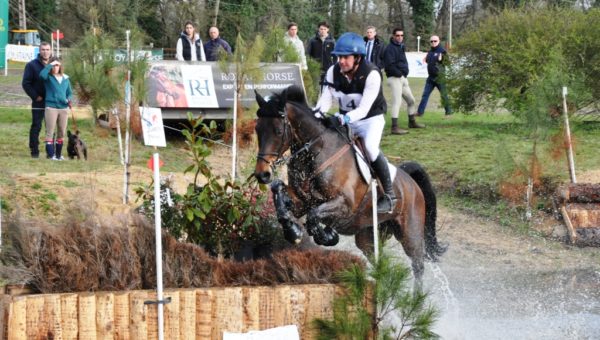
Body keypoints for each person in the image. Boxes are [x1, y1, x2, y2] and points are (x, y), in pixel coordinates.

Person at [313, 32, 396, 213]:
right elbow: (325, 101)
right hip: (345, 120)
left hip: (370, 120)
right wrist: (316, 115)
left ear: (358, 57)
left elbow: (364, 110)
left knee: (371, 148)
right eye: (339, 57)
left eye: (345, 57)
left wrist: (344, 118)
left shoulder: (372, 74)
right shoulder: (332, 72)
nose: (341, 61)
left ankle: (389, 195)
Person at [383, 28, 422, 134]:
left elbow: (402, 62)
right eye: (397, 35)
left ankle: (412, 122)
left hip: (402, 78)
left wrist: (404, 74)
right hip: (394, 78)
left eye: (401, 35)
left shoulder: (401, 47)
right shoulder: (390, 48)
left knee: (411, 100)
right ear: (393, 36)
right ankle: (394, 127)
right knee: (397, 102)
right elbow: (389, 65)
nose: (400, 37)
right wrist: (399, 74)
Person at [22, 41, 52, 158]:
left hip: (52, 101)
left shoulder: (55, 64)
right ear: (39, 51)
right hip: (38, 101)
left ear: (51, 51)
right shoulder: (31, 65)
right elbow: (26, 83)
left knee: (51, 127)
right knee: (37, 125)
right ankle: (34, 151)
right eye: (43, 50)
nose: (45, 52)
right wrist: (35, 96)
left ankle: (50, 152)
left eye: (47, 49)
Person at [39, 57, 73, 160]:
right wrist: (49, 65)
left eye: (57, 65)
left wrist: (69, 99)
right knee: (50, 131)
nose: (55, 67)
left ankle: (58, 155)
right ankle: (51, 155)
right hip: (51, 108)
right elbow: (41, 75)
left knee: (62, 132)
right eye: (53, 65)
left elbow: (69, 93)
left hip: (64, 108)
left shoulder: (66, 78)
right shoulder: (48, 77)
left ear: (60, 66)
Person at [416, 35, 452, 117]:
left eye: (435, 41)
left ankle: (448, 113)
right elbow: (429, 62)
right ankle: (420, 112)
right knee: (425, 95)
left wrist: (441, 60)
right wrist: (426, 59)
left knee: (444, 95)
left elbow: (448, 63)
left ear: (439, 41)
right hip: (430, 78)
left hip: (440, 78)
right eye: (431, 41)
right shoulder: (430, 51)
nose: (433, 43)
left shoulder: (442, 51)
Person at [306, 21, 336, 90]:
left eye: (324, 29)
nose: (323, 31)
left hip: (327, 69)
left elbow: (335, 56)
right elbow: (308, 54)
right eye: (321, 29)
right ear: (318, 29)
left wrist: (333, 66)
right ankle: (315, 101)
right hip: (315, 69)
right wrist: (310, 65)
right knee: (315, 88)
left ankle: (324, 100)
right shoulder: (313, 40)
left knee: (326, 89)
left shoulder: (332, 41)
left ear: (328, 30)